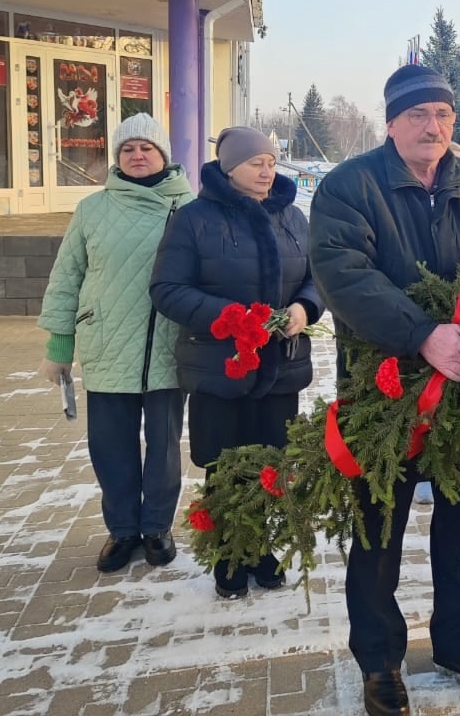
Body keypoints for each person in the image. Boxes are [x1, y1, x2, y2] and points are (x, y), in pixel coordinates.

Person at [308, 64, 460, 716]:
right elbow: (343, 274)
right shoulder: (350, 186)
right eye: (419, 115)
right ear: (392, 122)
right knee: (377, 528)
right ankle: (380, 661)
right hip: (385, 387)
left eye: (444, 115)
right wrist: (422, 332)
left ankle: (457, 639)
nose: (433, 126)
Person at [150, 126, 322, 600]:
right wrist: (228, 318)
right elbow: (167, 289)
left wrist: (304, 309)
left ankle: (261, 547)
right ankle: (228, 551)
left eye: (271, 161)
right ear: (229, 169)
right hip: (219, 366)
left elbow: (315, 276)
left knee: (271, 461)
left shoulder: (292, 217)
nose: (267, 171)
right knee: (224, 464)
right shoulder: (194, 219)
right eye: (256, 163)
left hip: (279, 367)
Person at [37, 113, 194, 573]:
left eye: (147, 148)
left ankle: (157, 527)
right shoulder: (92, 209)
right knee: (110, 446)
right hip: (106, 341)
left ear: (164, 155)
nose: (138, 155)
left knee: (163, 445)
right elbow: (67, 276)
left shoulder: (190, 207)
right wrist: (59, 346)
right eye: (128, 149)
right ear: (117, 158)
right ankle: (122, 530)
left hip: (164, 344)